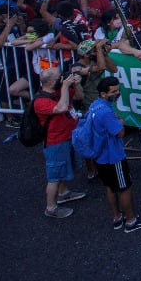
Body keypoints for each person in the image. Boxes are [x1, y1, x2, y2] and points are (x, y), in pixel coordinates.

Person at [85, 75, 141, 232]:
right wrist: (120, 123)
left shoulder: (95, 105)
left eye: (118, 90)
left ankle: (116, 217)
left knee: (109, 187)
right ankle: (130, 220)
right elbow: (120, 133)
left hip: (100, 156)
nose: (117, 93)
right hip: (113, 156)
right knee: (124, 188)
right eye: (114, 91)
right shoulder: (106, 113)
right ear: (103, 94)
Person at [31, 66, 86, 218]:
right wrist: (66, 87)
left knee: (63, 169)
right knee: (54, 176)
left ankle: (64, 193)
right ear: (50, 82)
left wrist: (76, 84)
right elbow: (61, 107)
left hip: (68, 136)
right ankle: (51, 207)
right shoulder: (40, 101)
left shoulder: (59, 91)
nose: (63, 79)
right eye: (59, 78)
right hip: (55, 142)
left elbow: (79, 97)